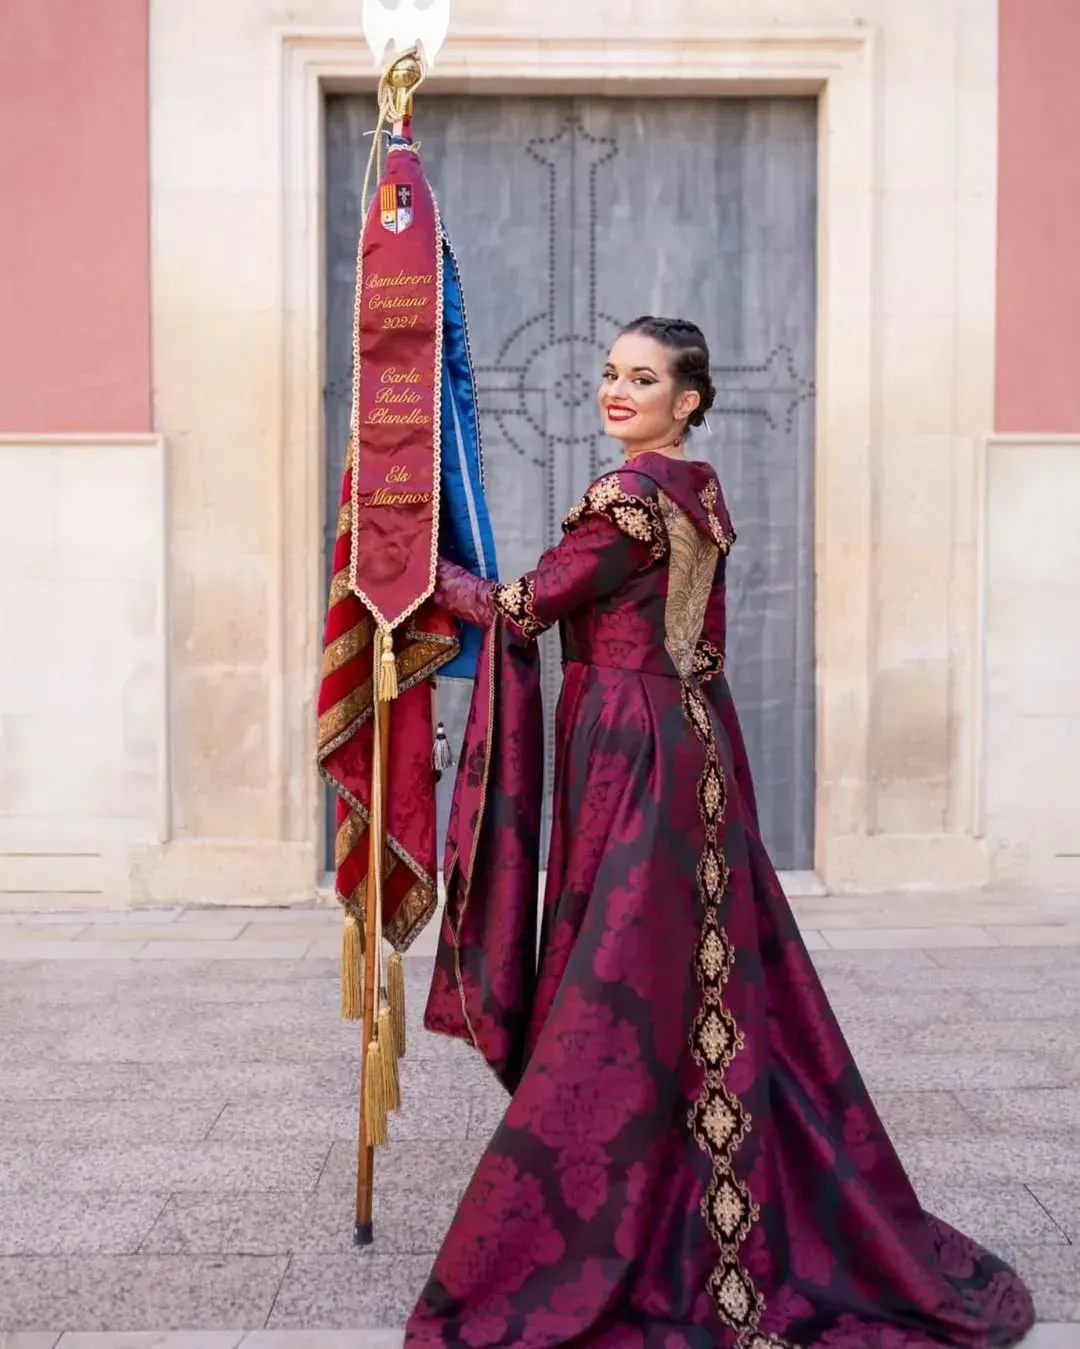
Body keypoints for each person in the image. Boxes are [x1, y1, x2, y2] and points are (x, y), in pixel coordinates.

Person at [407, 317, 1035, 1349]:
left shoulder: (630, 505)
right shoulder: (695, 489)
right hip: (691, 735)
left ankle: (617, 1230)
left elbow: (525, 605)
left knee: (622, 986)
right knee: (684, 979)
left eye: (642, 379)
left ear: (687, 399)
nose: (616, 390)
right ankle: (684, 1191)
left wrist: (418, 572)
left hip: (637, 752)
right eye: (610, 373)